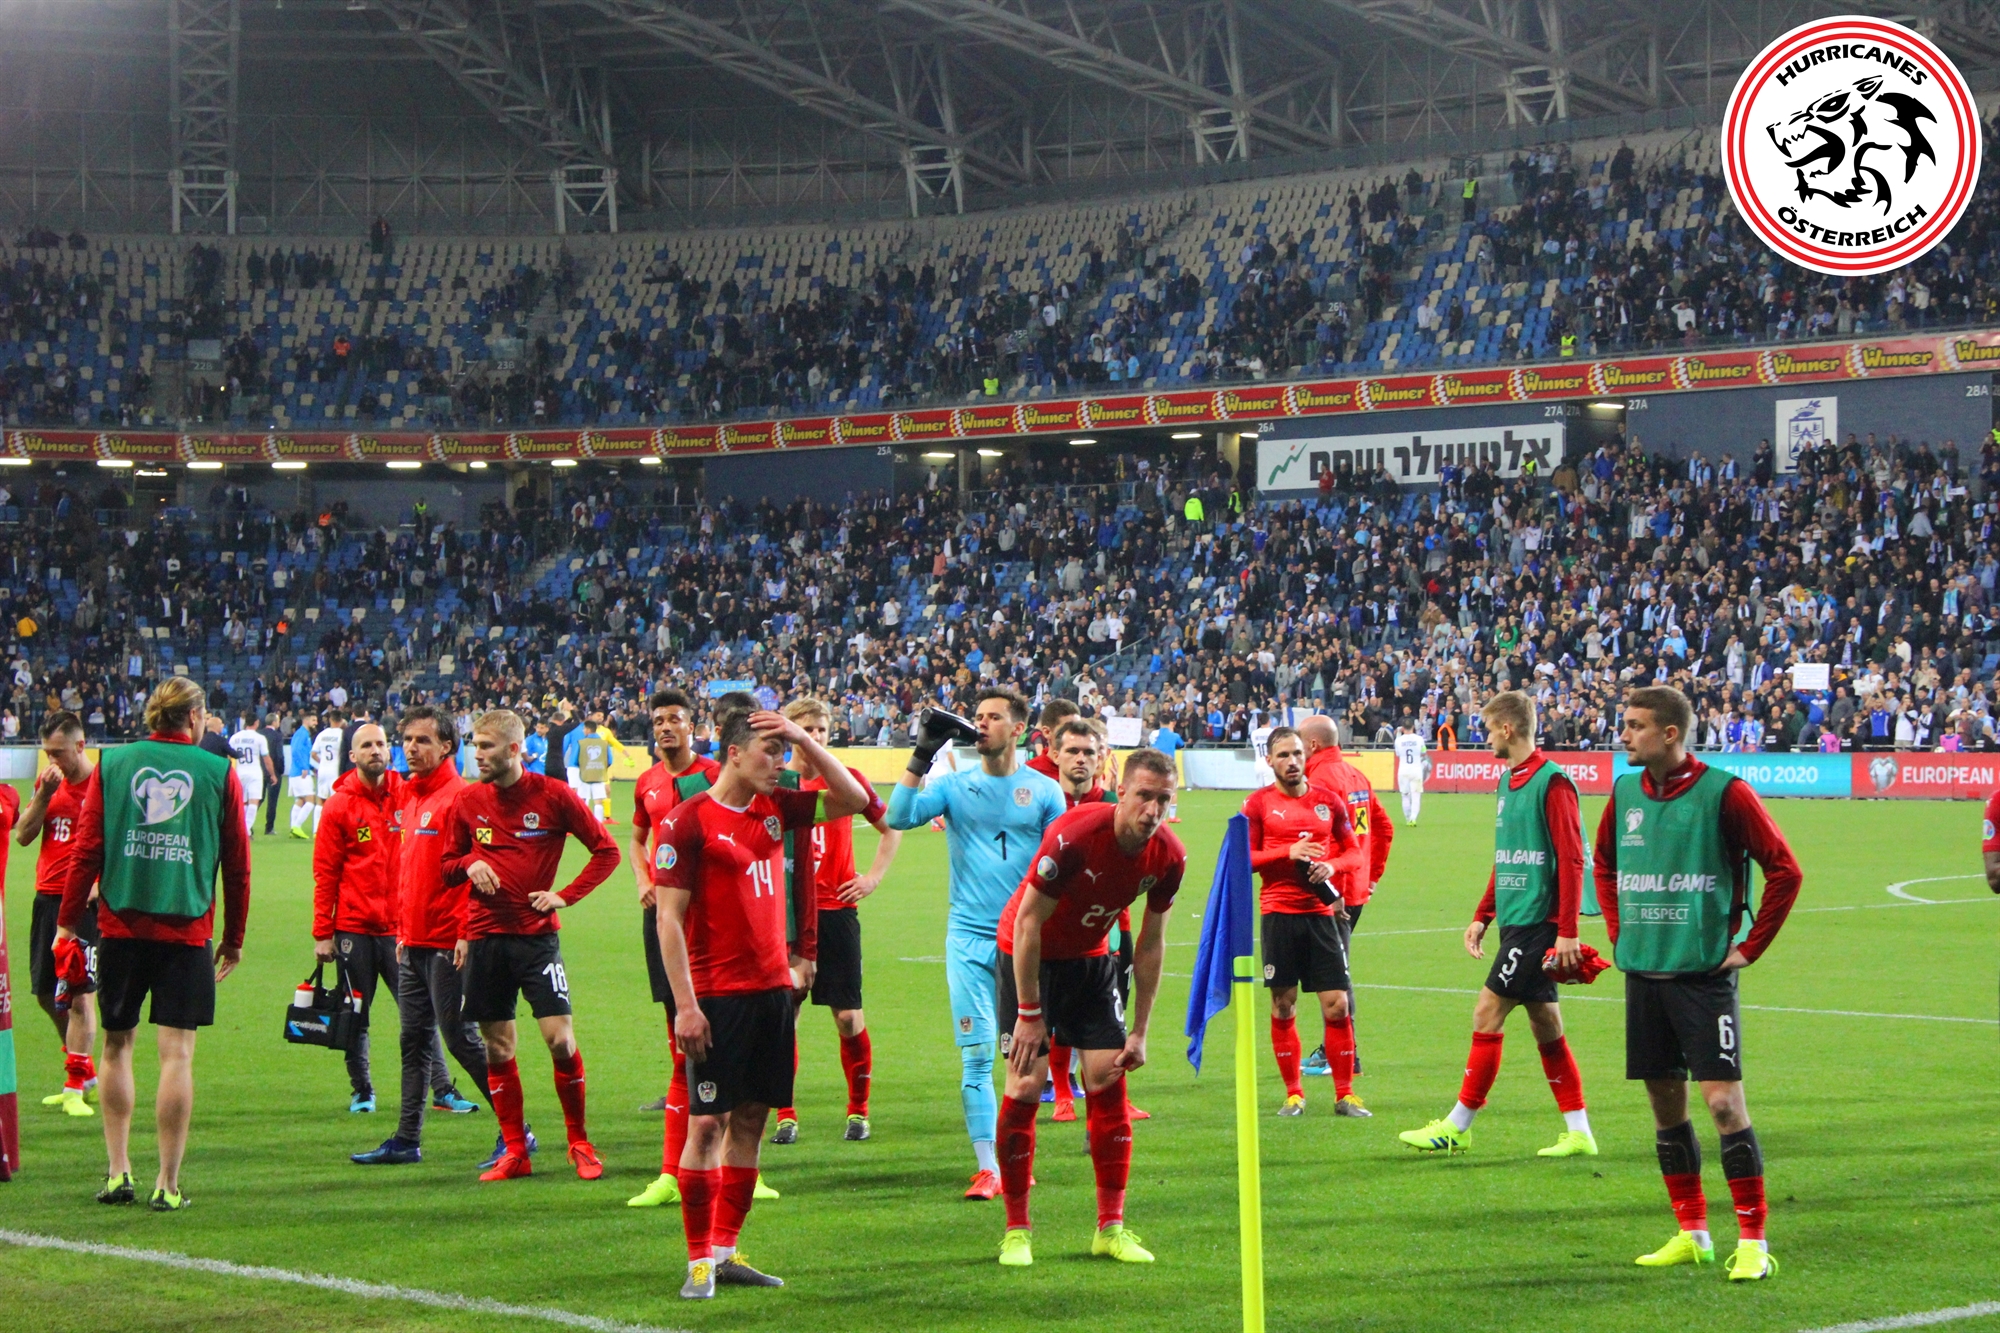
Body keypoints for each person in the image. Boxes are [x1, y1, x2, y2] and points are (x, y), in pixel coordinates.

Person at [654, 707, 871, 1298]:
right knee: (708, 1125)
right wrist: (686, 1006)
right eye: (769, 752)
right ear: (734, 753)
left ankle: (726, 1251)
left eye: (783, 752)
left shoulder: (778, 808)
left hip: (773, 993)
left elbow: (855, 800)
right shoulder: (687, 823)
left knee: (751, 1120)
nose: (780, 763)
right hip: (715, 998)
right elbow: (668, 921)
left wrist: (802, 737)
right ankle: (698, 1261)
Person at [1595, 686, 1801, 1282]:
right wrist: (1620, 928)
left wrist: (1749, 948)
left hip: (1703, 978)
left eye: (1635, 726)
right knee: (1666, 1105)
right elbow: (1603, 863)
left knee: (1723, 1104)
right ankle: (1693, 1233)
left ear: (1670, 734)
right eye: (1624, 724)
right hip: (1644, 973)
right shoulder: (1625, 792)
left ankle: (1754, 1242)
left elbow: (1785, 870)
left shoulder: (1726, 793)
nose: (1624, 735)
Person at [56, 678, 250, 1211]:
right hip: (187, 930)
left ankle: (118, 1171)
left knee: (116, 1045)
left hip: (120, 927)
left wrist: (67, 925)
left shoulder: (113, 765)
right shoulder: (219, 771)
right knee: (177, 1055)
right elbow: (237, 864)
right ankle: (167, 1182)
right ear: (194, 717)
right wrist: (233, 938)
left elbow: (86, 850)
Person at [993, 749, 1185, 1268]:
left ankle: (1110, 1228)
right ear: (1120, 791)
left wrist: (1139, 1031)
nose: (1153, 810)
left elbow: (1151, 944)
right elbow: (1027, 924)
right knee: (1025, 1085)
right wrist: (1029, 1013)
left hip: (1092, 960)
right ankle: (1017, 1231)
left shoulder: (1169, 856)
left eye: (1164, 800)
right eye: (1144, 796)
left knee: (1108, 1078)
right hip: (1028, 957)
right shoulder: (1074, 837)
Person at [1397, 691, 1596, 1156]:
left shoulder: (1553, 782)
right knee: (1546, 1024)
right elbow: (1507, 856)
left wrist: (1568, 931)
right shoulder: (1508, 781)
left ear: (1508, 729)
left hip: (1539, 923)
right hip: (1515, 919)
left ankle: (1457, 1125)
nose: (1485, 738)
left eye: (1488, 729)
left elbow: (1571, 860)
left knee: (1488, 1011)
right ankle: (1580, 1131)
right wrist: (1483, 914)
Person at [885, 690, 1065, 1199]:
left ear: (1019, 729)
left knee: (1023, 1059)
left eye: (993, 717)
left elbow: (1060, 865)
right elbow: (898, 816)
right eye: (978, 717)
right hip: (967, 938)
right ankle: (989, 1168)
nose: (981, 724)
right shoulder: (953, 785)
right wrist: (921, 754)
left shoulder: (1045, 791)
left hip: (1023, 942)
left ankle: (1017, 1158)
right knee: (977, 1054)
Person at [442, 709, 622, 1182]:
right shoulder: (467, 801)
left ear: (514, 749)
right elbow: (446, 865)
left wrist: (565, 895)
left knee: (560, 1039)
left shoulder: (553, 795)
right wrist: (468, 865)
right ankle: (516, 1152)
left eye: (486, 746)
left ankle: (579, 1141)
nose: (477, 755)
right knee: (498, 1046)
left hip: (537, 939)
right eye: (474, 746)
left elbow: (607, 851)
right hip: (485, 938)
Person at [351, 704, 494, 1168]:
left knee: (461, 1040)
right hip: (411, 940)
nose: (411, 748)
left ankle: (516, 1131)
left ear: (447, 746)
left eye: (423, 740)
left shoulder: (462, 798)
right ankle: (407, 1139)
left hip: (448, 942)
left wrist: (465, 933)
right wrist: (401, 928)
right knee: (412, 1041)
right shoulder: (412, 797)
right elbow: (411, 873)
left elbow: (478, 873)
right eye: (407, 739)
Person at [774, 696, 902, 1144]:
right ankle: (785, 1114)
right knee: (784, 1014)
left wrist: (872, 878)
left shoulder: (847, 782)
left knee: (847, 1017)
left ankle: (858, 1111)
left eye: (821, 731)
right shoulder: (776, 782)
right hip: (786, 917)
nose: (814, 738)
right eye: (806, 729)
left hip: (835, 912)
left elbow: (892, 827)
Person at [626, 688, 721, 1207]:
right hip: (663, 914)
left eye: (675, 719)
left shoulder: (712, 775)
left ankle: (729, 1160)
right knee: (678, 1028)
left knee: (722, 1030)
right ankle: (675, 1165)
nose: (665, 727)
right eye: (659, 720)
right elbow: (636, 840)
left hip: (708, 913)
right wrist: (644, 879)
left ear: (692, 726)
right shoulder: (647, 782)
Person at [1244, 726, 1362, 1117]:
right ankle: (1294, 1094)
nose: (1292, 761)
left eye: (1297, 753)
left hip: (1321, 916)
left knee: (1337, 1005)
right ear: (1269, 760)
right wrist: (1287, 851)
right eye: (1283, 755)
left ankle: (1345, 1095)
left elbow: (1354, 853)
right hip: (1278, 914)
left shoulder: (1328, 801)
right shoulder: (1258, 805)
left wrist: (1332, 866)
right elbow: (1244, 859)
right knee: (1283, 1004)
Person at [1295, 714, 1392, 1095]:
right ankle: (1332, 1048)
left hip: (1332, 893)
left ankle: (1347, 1056)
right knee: (1334, 968)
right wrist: (1373, 874)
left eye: (1299, 743)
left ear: (1312, 745)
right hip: (1356, 888)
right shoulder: (1356, 775)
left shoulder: (1318, 780)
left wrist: (1328, 890)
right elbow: (1384, 827)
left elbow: (1316, 842)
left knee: (1335, 973)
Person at [312, 722, 405, 1115]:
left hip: (401, 927)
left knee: (419, 1013)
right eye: (366, 745)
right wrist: (323, 932)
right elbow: (325, 873)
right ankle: (362, 1090)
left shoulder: (407, 795)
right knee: (355, 1013)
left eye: (381, 743)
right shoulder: (339, 806)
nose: (375, 750)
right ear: (352, 756)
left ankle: (440, 1088)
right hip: (353, 926)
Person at [20, 711, 93, 1115]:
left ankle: (74, 1087)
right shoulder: (49, 784)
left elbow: (117, 842)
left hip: (82, 905)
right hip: (46, 899)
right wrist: (44, 796)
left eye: (59, 753)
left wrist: (99, 885)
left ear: (80, 746)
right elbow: (23, 835)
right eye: (47, 753)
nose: (53, 761)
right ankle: (86, 1072)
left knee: (80, 996)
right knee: (46, 994)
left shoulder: (100, 787)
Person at [227, 714, 273, 836]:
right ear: (256, 722)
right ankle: (245, 830)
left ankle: (242, 828)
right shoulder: (260, 738)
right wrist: (272, 774)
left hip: (239, 772)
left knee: (243, 803)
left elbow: (229, 756)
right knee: (254, 802)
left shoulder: (235, 737)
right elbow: (266, 758)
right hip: (254, 773)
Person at [311, 709, 346, 832]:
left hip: (323, 770)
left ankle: (316, 830)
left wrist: (322, 762)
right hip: (335, 770)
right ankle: (335, 829)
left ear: (330, 720)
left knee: (321, 799)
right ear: (341, 720)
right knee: (336, 801)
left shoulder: (322, 734)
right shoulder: (342, 734)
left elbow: (313, 754)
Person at [577, 713, 614, 824]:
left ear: (588, 730)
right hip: (599, 774)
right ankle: (598, 824)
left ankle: (582, 823)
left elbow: (575, 760)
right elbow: (610, 760)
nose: (583, 730)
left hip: (585, 775)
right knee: (598, 801)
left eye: (584, 729)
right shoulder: (604, 743)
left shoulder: (581, 743)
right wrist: (601, 767)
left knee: (583, 799)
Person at [287, 712, 319, 838]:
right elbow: (296, 750)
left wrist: (311, 767)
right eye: (313, 720)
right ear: (306, 720)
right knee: (311, 800)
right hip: (301, 773)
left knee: (300, 800)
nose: (316, 723)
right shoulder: (302, 734)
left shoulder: (302, 733)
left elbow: (303, 753)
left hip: (296, 772)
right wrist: (305, 767)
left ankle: (293, 829)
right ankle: (297, 826)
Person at [1149, 721, 1183, 822]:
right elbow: (1181, 744)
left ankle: (1160, 816)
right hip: (1169, 765)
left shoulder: (1154, 734)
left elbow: (1151, 744)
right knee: (1172, 790)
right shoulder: (1174, 735)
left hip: (1156, 765)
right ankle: (1172, 817)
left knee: (1155, 790)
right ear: (1170, 723)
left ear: (1160, 722)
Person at [1393, 724, 1426, 825]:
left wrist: (1398, 734)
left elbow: (1397, 754)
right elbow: (1423, 752)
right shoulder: (1419, 739)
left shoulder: (1398, 740)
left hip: (1403, 771)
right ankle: (1413, 818)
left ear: (1403, 728)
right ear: (1413, 727)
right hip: (1416, 770)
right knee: (1416, 795)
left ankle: (1408, 819)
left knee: (1405, 795)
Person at [258, 714, 286, 834]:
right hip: (273, 770)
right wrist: (280, 770)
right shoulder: (277, 736)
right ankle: (269, 828)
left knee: (257, 799)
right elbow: (279, 755)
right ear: (274, 722)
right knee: (272, 801)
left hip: (259, 770)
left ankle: (247, 824)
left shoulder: (259, 734)